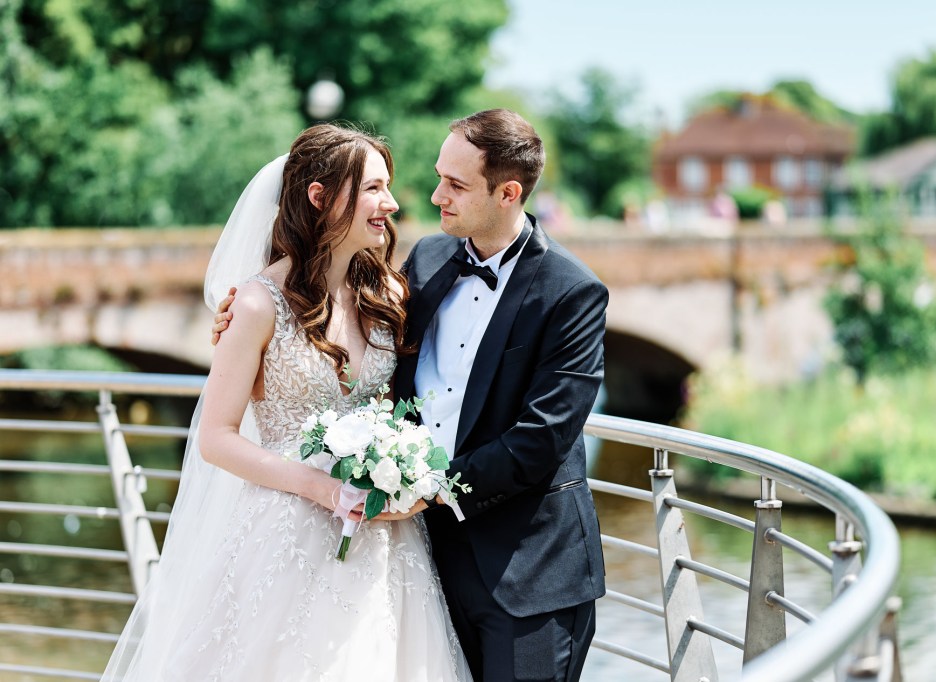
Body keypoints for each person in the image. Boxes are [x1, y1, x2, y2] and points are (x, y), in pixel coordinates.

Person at [215, 109, 608, 681]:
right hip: (418, 559)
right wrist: (244, 325)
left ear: (508, 193)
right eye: (438, 177)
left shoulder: (571, 291)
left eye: (455, 184)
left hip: (526, 572)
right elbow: (356, 354)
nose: (431, 196)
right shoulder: (423, 263)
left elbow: (541, 439)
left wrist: (426, 491)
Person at [105, 124, 471, 681]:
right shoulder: (256, 305)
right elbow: (217, 438)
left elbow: (403, 407)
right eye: (373, 188)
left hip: (385, 537)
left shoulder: (388, 296)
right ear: (319, 196)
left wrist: (407, 480)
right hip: (285, 529)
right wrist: (324, 489)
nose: (392, 203)